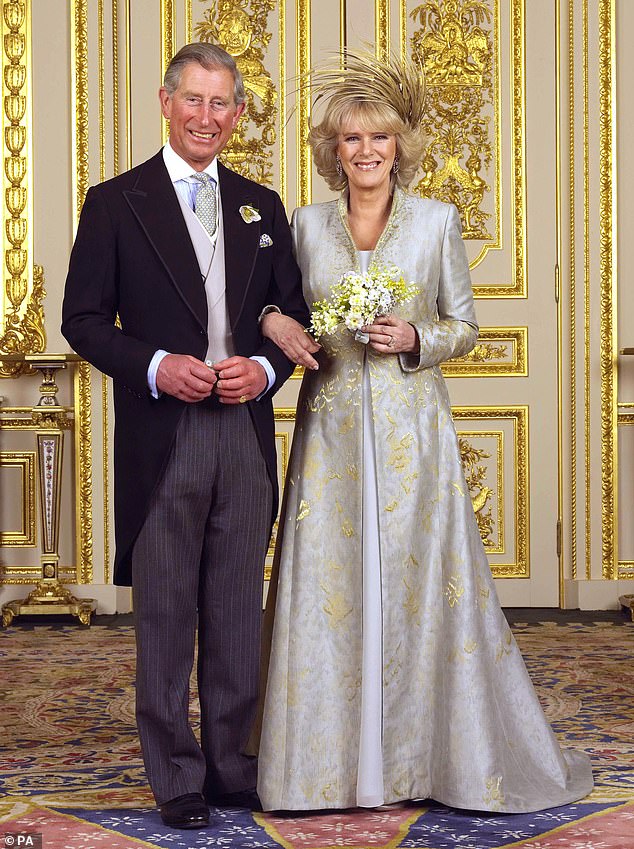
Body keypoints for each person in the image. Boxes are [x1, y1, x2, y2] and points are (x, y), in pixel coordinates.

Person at [255, 49, 593, 813]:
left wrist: (416, 339)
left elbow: (465, 326)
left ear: (400, 146)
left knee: (414, 586)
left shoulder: (437, 221)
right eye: (350, 140)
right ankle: (319, 770)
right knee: (331, 587)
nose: (367, 152)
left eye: (379, 139)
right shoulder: (304, 227)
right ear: (332, 151)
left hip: (414, 439)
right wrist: (283, 323)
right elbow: (276, 308)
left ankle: (421, 761)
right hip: (332, 436)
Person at [61, 42, 310, 829]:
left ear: (238, 116)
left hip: (241, 431)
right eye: (193, 100)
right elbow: (83, 321)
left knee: (237, 606)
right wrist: (159, 364)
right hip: (164, 433)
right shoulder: (114, 201)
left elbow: (289, 315)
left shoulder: (260, 204)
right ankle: (175, 773)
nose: (207, 117)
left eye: (221, 104)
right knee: (166, 610)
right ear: (166, 103)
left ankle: (231, 763)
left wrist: (265, 373)